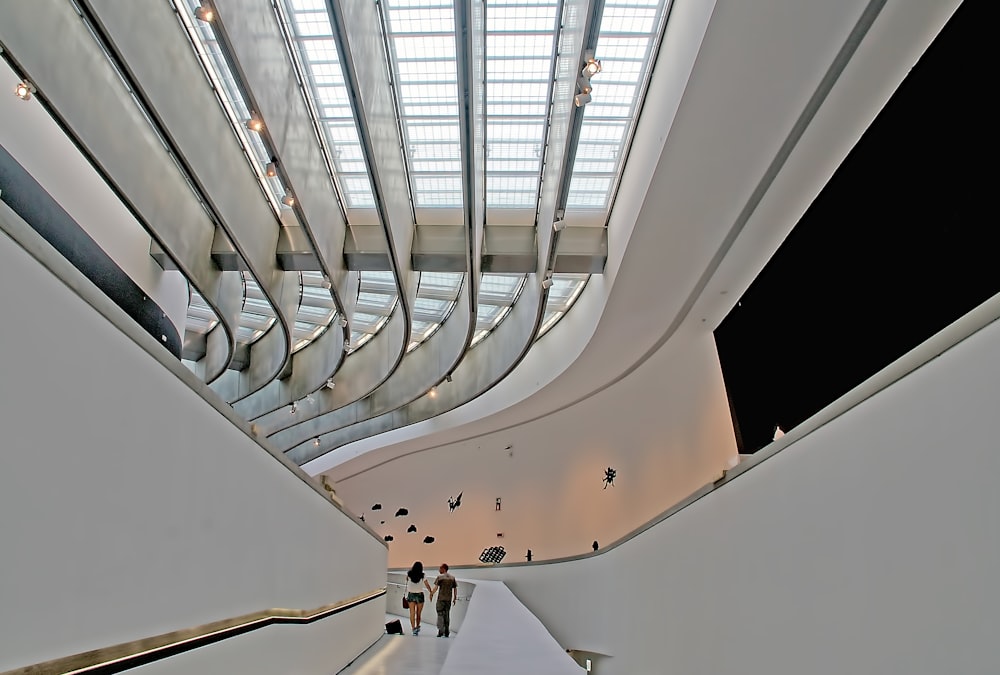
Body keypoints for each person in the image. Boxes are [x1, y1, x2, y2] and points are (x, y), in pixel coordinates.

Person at [429, 563, 458, 638]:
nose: (439, 570)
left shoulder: (440, 577)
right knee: (447, 614)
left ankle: (440, 631)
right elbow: (455, 589)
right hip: (448, 599)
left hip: (441, 599)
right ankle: (447, 631)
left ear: (443, 569)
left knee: (440, 614)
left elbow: (436, 587)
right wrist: (454, 598)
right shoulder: (452, 577)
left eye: (440, 568)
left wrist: (431, 593)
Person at [405, 561, 432, 635]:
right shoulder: (423, 575)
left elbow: (407, 580)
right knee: (418, 613)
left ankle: (413, 628)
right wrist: (431, 591)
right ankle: (417, 626)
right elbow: (427, 584)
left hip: (411, 595)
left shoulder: (409, 574)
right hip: (420, 595)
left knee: (412, 613)